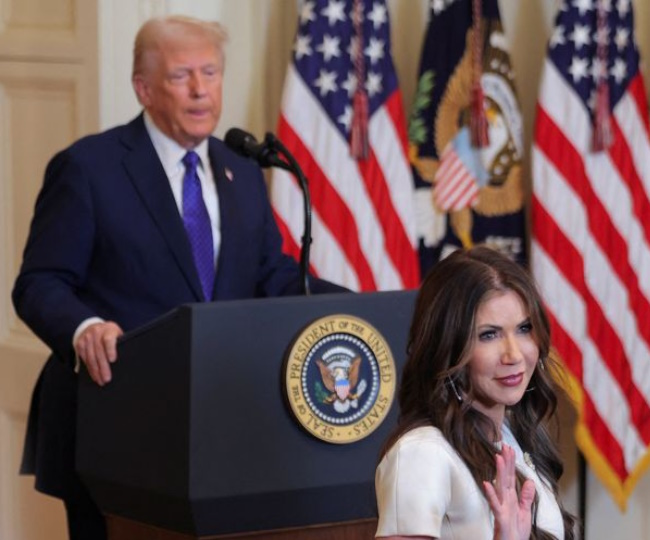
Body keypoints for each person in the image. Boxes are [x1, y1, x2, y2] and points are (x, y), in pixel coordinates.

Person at [13, 15, 345, 540]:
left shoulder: (241, 170)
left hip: (219, 425)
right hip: (115, 421)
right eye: (180, 75)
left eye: (210, 73)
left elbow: (272, 275)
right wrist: (84, 329)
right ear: (143, 89)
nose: (200, 90)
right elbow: (39, 283)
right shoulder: (89, 168)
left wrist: (357, 306)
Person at [374, 246, 576, 540]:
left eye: (524, 328)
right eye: (488, 335)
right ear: (448, 346)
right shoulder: (421, 452)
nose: (514, 354)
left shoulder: (512, 436)